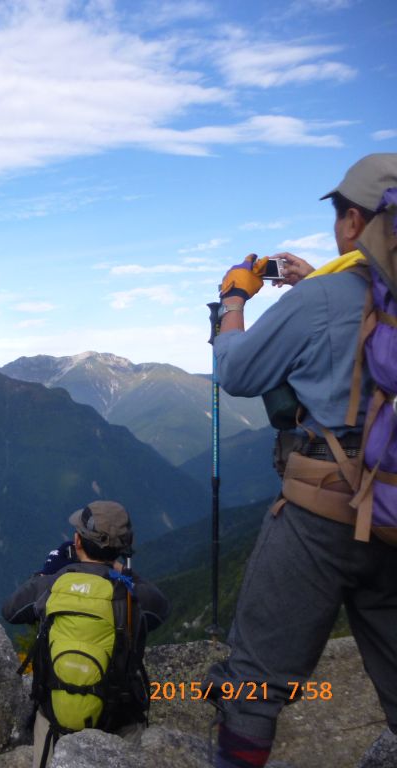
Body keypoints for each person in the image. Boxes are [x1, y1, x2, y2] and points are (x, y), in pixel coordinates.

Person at [205, 153, 397, 768]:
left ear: (353, 222)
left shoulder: (323, 299)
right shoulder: (354, 292)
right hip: (395, 510)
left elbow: (236, 372)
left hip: (323, 510)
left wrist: (233, 302)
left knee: (252, 686)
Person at [3, 501, 170, 768]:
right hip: (117, 722)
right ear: (124, 547)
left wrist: (49, 572)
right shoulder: (131, 596)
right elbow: (161, 608)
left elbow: (11, 610)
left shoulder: (54, 584)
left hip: (53, 720)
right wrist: (122, 571)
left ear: (77, 541)